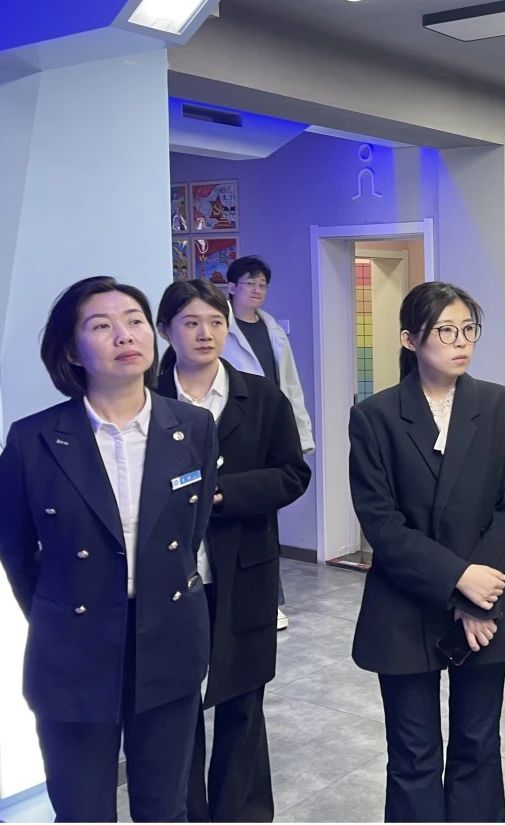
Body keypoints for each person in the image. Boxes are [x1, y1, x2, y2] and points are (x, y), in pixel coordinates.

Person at [0, 276, 218, 822]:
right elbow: (17, 551)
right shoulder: (32, 440)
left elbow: (190, 534)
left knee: (165, 806)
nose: (125, 335)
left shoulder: (192, 426)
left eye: (135, 321)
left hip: (168, 637)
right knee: (81, 809)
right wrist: (61, 609)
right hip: (72, 648)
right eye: (102, 325)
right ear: (73, 351)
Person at [348, 282, 505, 822]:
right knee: (413, 752)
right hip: (405, 604)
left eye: (468, 330)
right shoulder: (376, 416)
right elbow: (381, 523)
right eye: (446, 331)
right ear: (410, 339)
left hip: (487, 603)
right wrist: (458, 580)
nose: (461, 342)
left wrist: (476, 597)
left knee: (478, 743)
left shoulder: (503, 407)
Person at [155, 279, 311, 822]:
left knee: (242, 700)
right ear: (166, 330)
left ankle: (240, 813)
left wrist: (225, 493)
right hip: (168, 576)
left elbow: (293, 474)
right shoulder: (146, 398)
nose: (206, 333)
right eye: (191, 322)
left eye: (216, 322)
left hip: (244, 569)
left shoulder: (261, 397)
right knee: (175, 706)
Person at [221, 255, 313, 632]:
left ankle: (270, 599)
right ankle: (260, 599)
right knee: (243, 514)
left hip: (272, 427)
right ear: (231, 287)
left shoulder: (272, 329)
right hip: (236, 430)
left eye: (262, 285)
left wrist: (300, 432)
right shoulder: (222, 329)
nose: (257, 290)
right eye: (250, 283)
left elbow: (289, 384)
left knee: (267, 510)